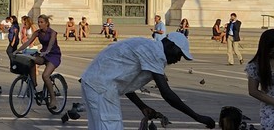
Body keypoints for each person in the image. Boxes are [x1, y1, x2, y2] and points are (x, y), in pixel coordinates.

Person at [79, 32, 215, 130]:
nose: (178, 59)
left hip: (95, 84)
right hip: (101, 87)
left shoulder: (149, 47)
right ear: (170, 45)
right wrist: (197, 117)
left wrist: (142, 106)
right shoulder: (156, 53)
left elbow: (125, 83)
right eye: (179, 54)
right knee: (111, 126)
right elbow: (167, 94)